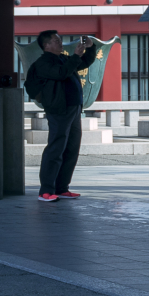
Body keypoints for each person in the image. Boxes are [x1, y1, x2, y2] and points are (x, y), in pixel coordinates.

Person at [24, 29, 102, 202]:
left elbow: (83, 63)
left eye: (60, 40)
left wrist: (90, 48)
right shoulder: (43, 63)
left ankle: (61, 187)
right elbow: (61, 73)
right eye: (56, 41)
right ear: (47, 45)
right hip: (59, 109)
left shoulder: (63, 58)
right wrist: (75, 56)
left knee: (71, 148)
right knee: (56, 147)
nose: (60, 43)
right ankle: (45, 190)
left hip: (74, 108)